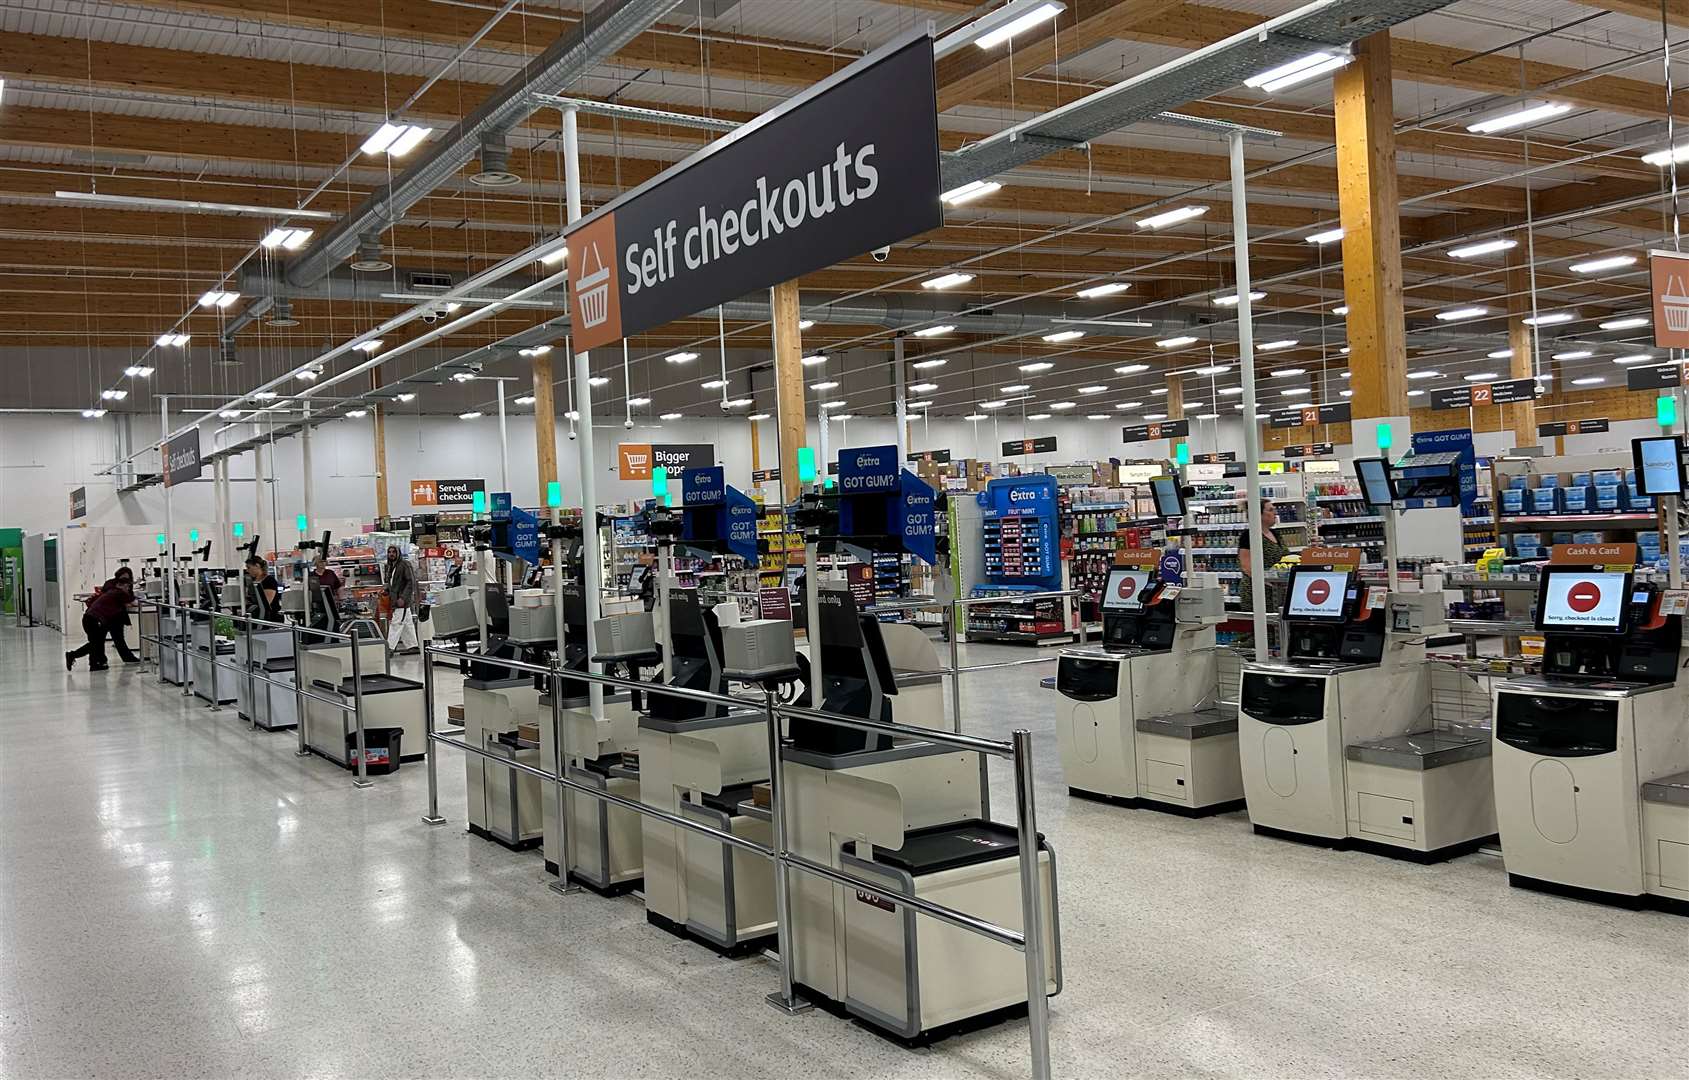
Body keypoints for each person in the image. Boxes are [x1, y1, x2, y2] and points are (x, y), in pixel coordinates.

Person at [66, 567, 138, 670]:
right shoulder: (117, 591)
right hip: (96, 619)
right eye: (125, 582)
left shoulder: (114, 590)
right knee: (96, 643)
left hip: (94, 617)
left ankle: (95, 663)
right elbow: (133, 602)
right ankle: (75, 656)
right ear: (120, 583)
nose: (127, 585)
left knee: (97, 642)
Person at [1237, 497, 1289, 611]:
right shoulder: (1249, 536)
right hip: (1257, 592)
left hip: (1278, 592)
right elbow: (1247, 567)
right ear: (1258, 514)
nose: (1275, 513)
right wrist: (1267, 581)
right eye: (1270, 510)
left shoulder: (1276, 534)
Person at [383, 544, 420, 653]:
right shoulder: (391, 566)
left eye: (393, 552)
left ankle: (389, 648)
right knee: (407, 623)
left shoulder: (404, 564)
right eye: (389, 552)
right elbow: (392, 583)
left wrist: (403, 598)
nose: (391, 554)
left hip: (401, 601)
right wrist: (387, 591)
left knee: (396, 623)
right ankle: (412, 646)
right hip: (396, 600)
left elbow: (410, 582)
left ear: (398, 553)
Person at [244, 556, 283, 622]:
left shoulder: (269, 581)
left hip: (271, 618)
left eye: (249, 567)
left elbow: (266, 603)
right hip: (258, 616)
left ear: (257, 566)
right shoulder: (252, 582)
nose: (247, 570)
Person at [311, 553, 343, 632]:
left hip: (331, 602)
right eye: (321, 561)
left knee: (333, 621)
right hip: (318, 604)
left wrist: (340, 599)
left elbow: (338, 587)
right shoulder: (311, 575)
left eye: (324, 561)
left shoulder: (330, 573)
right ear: (316, 563)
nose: (323, 563)